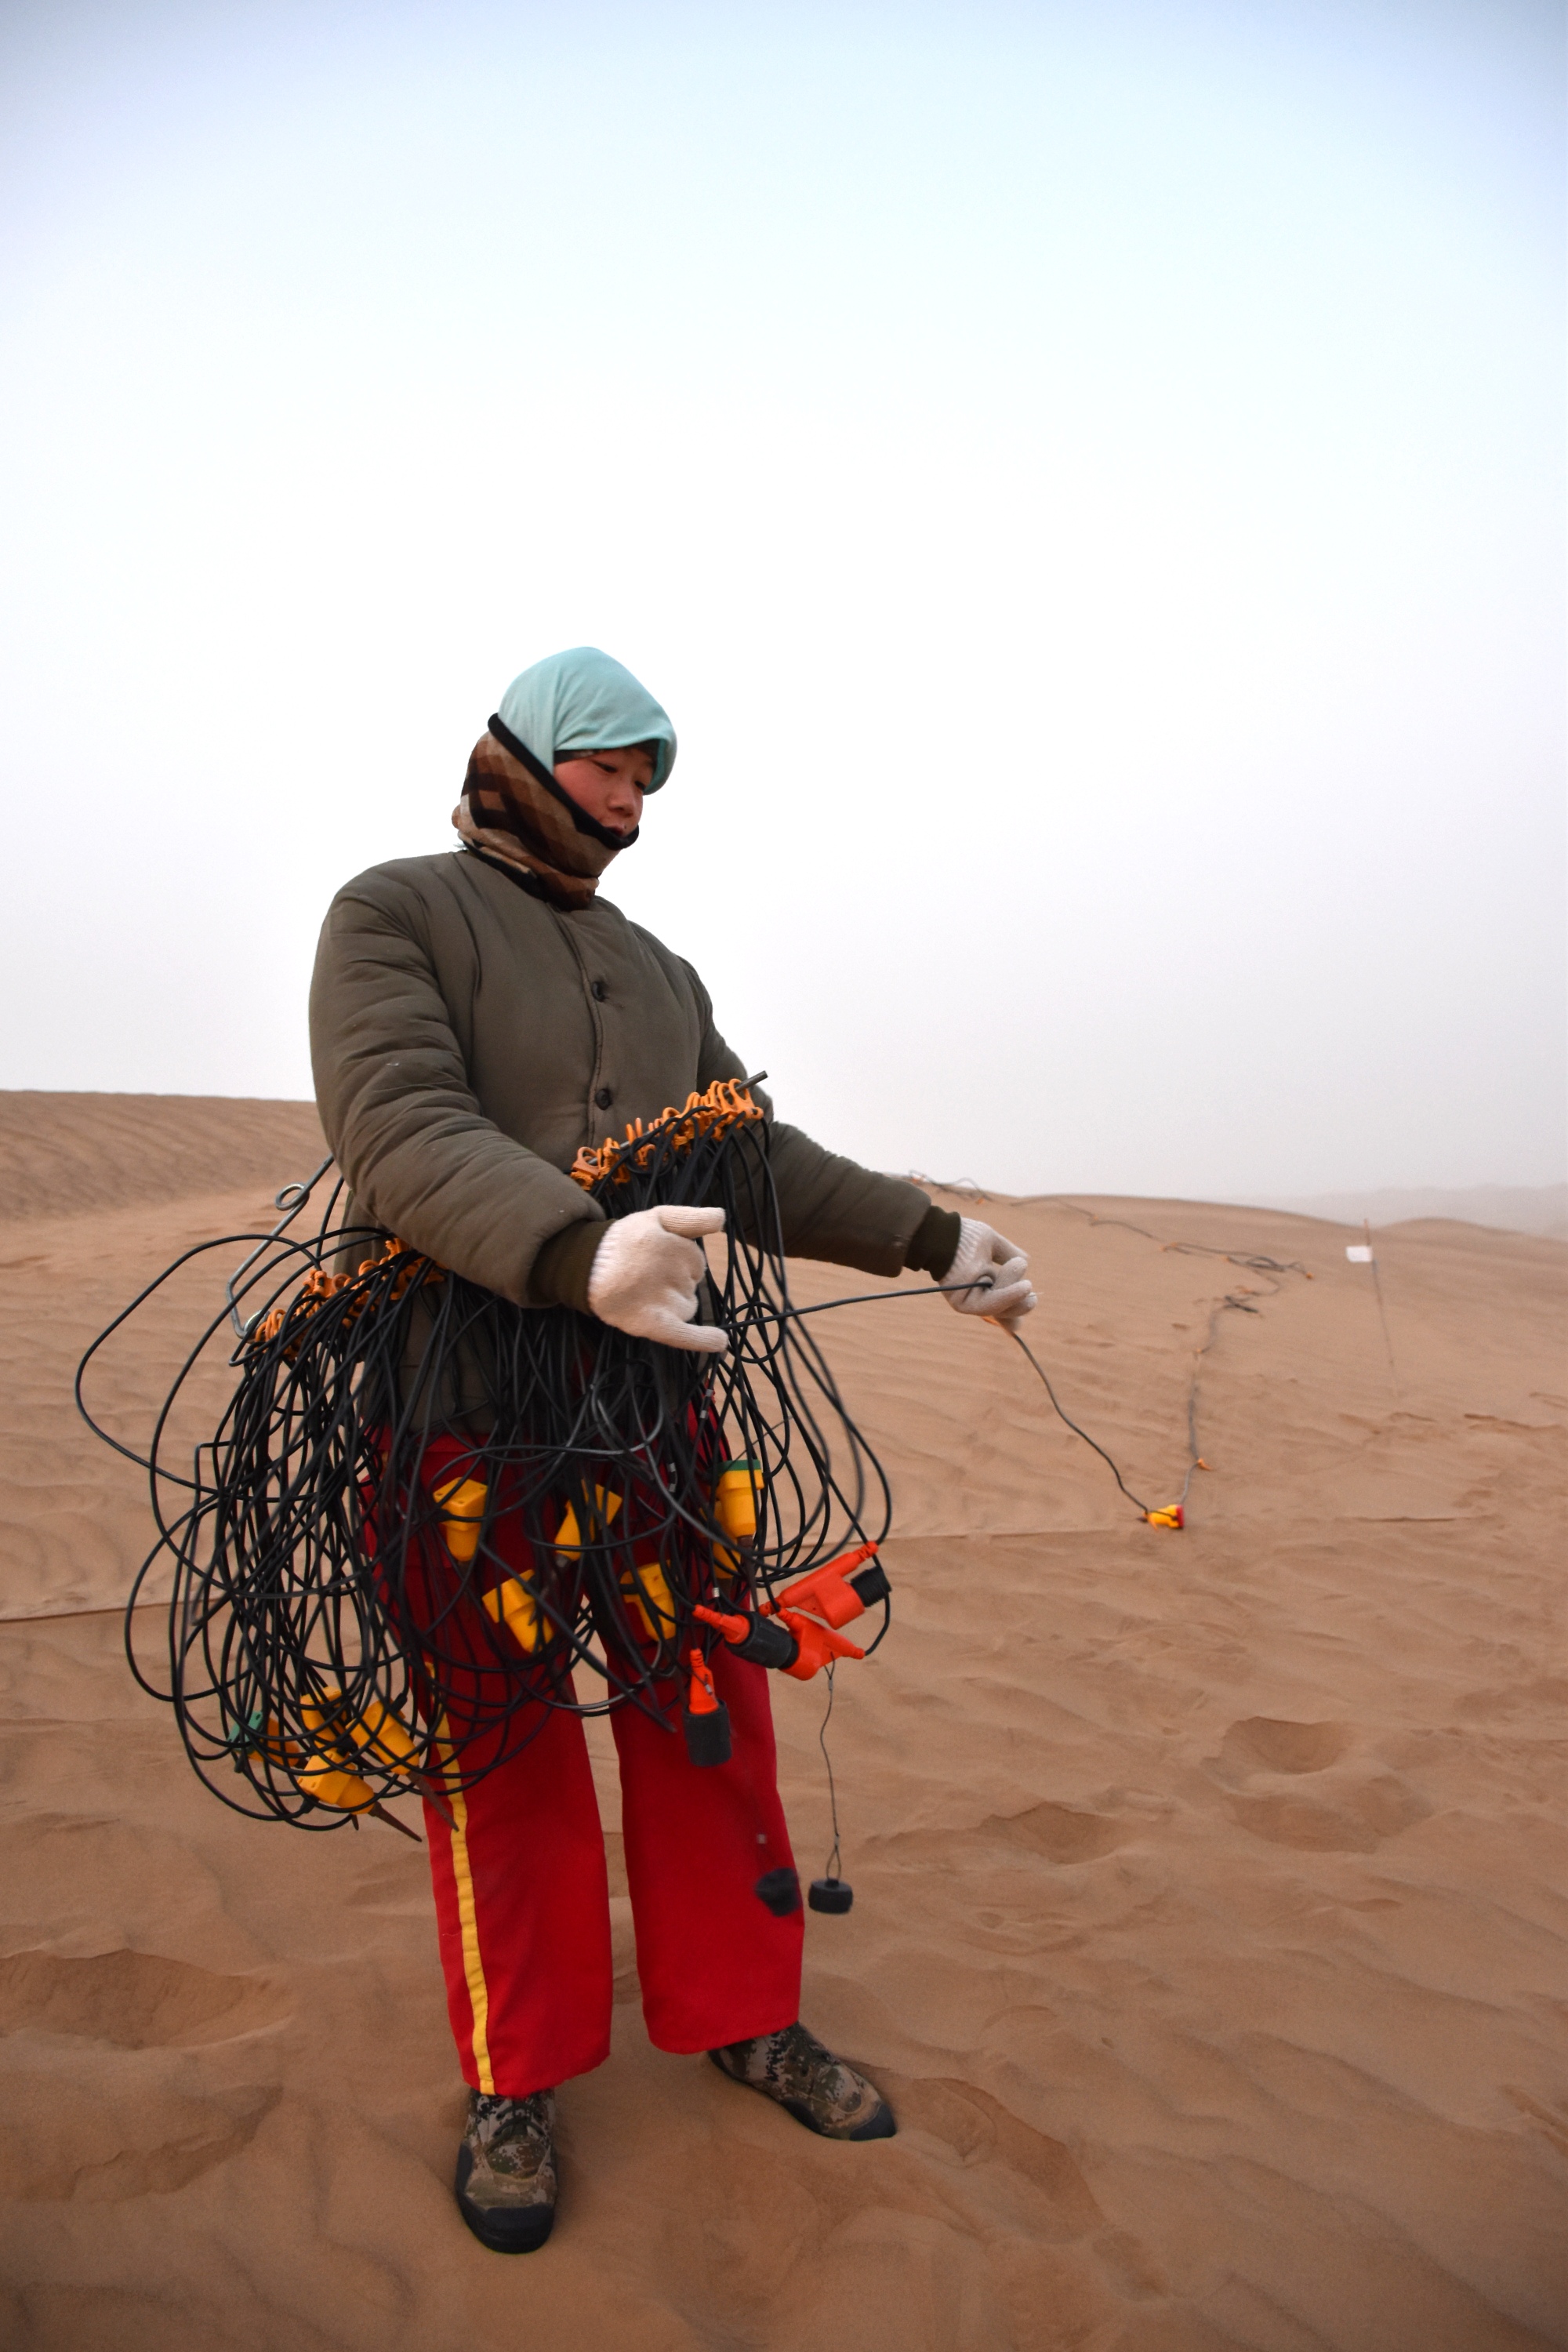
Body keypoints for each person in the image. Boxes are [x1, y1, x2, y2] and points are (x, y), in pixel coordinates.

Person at [308, 646, 1036, 2252]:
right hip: (457, 1413)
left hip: (656, 1416)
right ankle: (517, 2079)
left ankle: (746, 2016)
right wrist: (578, 1251)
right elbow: (397, 1124)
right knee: (497, 1748)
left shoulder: (659, 970)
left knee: (710, 1721)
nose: (630, 801)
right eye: (606, 767)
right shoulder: (394, 913)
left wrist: (933, 1238)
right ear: (524, 755)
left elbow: (747, 1155)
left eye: (649, 777)